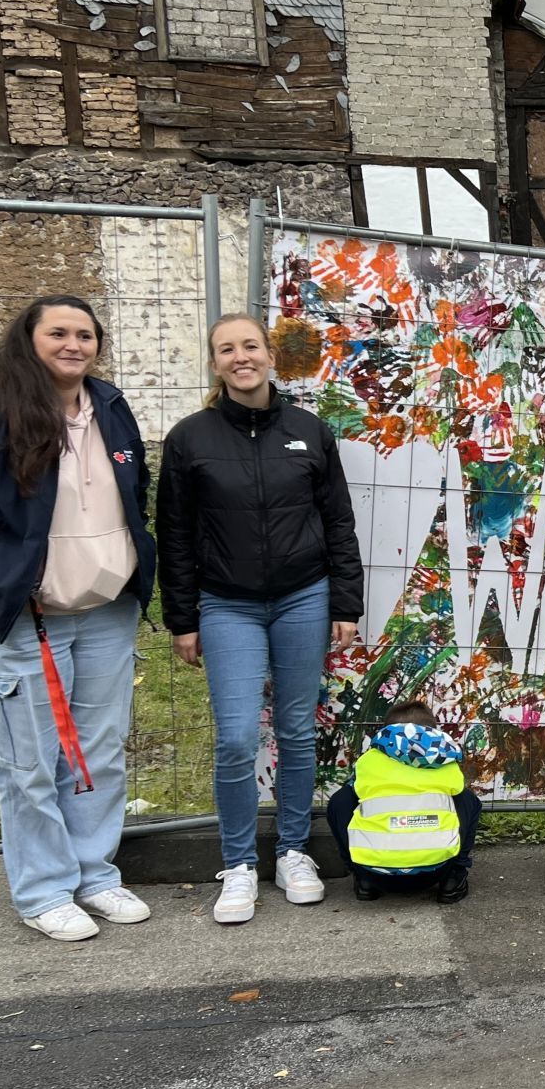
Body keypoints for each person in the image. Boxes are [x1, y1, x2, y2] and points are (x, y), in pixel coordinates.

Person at [0, 296, 156, 941]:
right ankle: (43, 890)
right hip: (21, 621)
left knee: (98, 752)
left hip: (106, 614)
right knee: (32, 761)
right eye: (58, 333)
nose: (74, 344)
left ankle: (94, 874)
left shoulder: (112, 409)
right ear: (29, 339)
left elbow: (134, 496)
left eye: (85, 334)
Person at [157, 313, 364, 926]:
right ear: (216, 363)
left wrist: (345, 602)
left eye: (250, 346)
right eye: (227, 349)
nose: (240, 357)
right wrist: (182, 618)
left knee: (299, 730)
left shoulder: (309, 432)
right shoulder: (190, 439)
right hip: (226, 605)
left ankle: (294, 852)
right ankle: (239, 863)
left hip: (304, 597)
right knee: (237, 736)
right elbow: (174, 535)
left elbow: (338, 523)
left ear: (270, 356)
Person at [325, 699, 479, 904]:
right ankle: (453, 880)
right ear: (432, 730)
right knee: (468, 799)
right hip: (436, 870)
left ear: (386, 731)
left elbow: (347, 800)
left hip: (374, 872)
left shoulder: (369, 760)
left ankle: (363, 881)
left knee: (341, 799)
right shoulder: (445, 762)